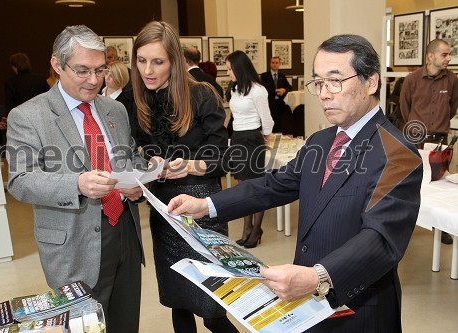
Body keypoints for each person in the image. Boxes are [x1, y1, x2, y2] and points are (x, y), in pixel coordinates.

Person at [168, 34, 423, 333]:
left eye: (335, 81)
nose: (325, 94)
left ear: (371, 82)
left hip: (359, 307)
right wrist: (207, 204)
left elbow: (381, 238)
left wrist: (318, 277)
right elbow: (274, 185)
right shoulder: (322, 140)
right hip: (308, 304)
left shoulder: (397, 152)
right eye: (318, 83)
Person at [6, 25, 146, 333]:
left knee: (125, 323)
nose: (94, 80)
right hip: (72, 242)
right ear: (57, 65)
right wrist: (76, 184)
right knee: (83, 326)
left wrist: (142, 174)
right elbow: (19, 179)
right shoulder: (28, 116)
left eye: (100, 70)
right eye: (82, 70)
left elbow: (125, 158)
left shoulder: (115, 109)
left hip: (124, 230)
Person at [131, 21, 237, 333]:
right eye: (141, 60)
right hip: (163, 209)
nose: (148, 70)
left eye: (158, 61)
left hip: (201, 207)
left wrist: (187, 165)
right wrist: (146, 163)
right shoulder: (135, 99)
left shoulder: (202, 95)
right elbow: (129, 151)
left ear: (174, 61)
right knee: (178, 299)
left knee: (213, 307)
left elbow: (223, 159)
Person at [399, 38, 458, 245]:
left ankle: (440, 227)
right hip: (415, 140)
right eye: (444, 54)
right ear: (430, 56)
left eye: (449, 54)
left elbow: (452, 108)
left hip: (440, 140)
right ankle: (406, 222)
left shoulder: (452, 80)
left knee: (438, 183)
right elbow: (404, 108)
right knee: (412, 181)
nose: (448, 58)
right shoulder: (412, 79)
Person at [225, 50, 274, 248]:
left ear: (239, 68)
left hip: (253, 139)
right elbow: (235, 117)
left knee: (255, 187)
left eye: (230, 69)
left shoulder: (258, 90)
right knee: (242, 188)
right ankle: (246, 228)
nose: (228, 73)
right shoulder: (234, 89)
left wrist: (266, 137)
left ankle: (256, 229)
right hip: (237, 138)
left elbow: (267, 118)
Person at [101, 60, 140, 143]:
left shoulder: (128, 102)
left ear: (120, 78)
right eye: (106, 73)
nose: (107, 78)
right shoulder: (96, 94)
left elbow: (130, 131)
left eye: (111, 76)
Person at [260, 56, 293, 133]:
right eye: (273, 63)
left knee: (279, 126)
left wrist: (284, 90)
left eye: (276, 63)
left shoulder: (282, 75)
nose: (275, 64)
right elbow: (263, 89)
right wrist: (275, 91)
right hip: (269, 104)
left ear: (279, 64)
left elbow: (290, 87)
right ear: (270, 64)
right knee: (269, 126)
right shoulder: (264, 76)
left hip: (280, 104)